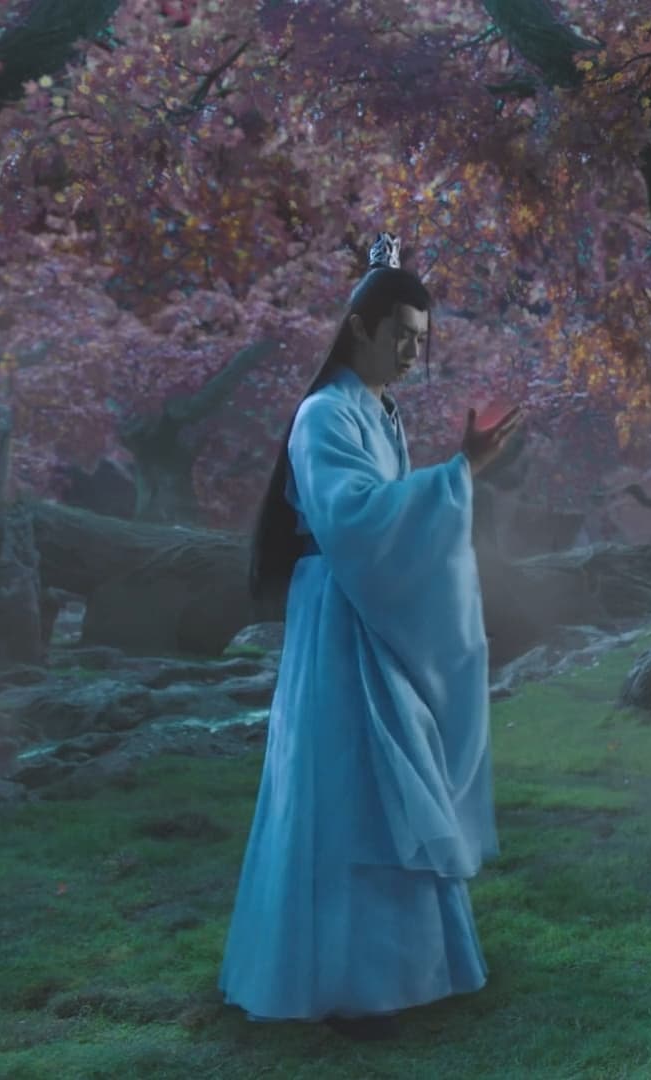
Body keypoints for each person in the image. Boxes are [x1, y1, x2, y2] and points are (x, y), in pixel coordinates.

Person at [219, 234, 525, 1040]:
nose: (411, 355)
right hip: (338, 618)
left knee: (396, 772)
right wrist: (457, 475)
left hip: (369, 612)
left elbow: (385, 520)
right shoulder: (323, 413)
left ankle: (405, 971)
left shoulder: (380, 413)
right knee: (346, 785)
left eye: (421, 342)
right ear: (359, 327)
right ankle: (341, 981)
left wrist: (454, 476)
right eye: (402, 336)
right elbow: (352, 519)